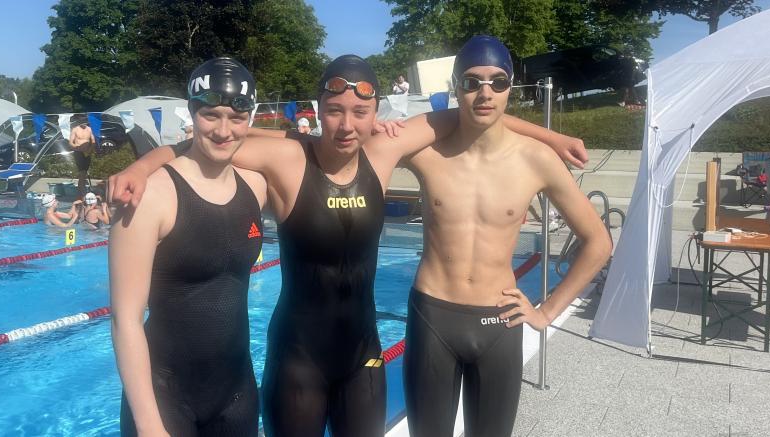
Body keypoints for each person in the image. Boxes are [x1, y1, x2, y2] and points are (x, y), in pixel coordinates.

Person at [108, 53, 590, 436]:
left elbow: (470, 114)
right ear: (317, 112)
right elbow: (212, 138)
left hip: (365, 355)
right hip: (297, 359)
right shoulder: (286, 156)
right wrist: (140, 167)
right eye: (335, 111)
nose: (347, 124)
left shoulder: (383, 151)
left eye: (360, 112)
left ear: (377, 113)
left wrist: (550, 135)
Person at [399, 35, 611, 437]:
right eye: (471, 82)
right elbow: (375, 137)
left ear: (511, 88)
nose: (485, 92)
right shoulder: (427, 153)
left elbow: (599, 242)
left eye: (498, 82)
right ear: (455, 87)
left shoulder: (536, 160)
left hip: (499, 322)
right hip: (433, 317)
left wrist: (546, 312)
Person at [111, 57, 268, 437]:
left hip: (237, 393)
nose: (223, 130)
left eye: (236, 118)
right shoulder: (148, 196)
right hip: (166, 398)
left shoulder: (257, 187)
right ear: (192, 112)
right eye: (210, 115)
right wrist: (149, 425)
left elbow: (308, 147)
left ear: (251, 118)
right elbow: (124, 319)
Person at [69, 118, 96, 198]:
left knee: (84, 173)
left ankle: (82, 192)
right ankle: (81, 193)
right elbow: (71, 143)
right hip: (78, 152)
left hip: (87, 153)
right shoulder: (75, 129)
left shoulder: (89, 129)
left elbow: (93, 141)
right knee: (82, 173)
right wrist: (77, 147)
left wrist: (90, 149)